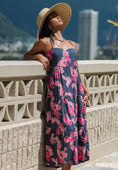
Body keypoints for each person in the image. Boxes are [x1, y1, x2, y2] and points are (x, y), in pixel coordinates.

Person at [24, 3, 90, 170]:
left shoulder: (72, 44)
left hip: (75, 91)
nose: (58, 17)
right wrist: (39, 56)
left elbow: (76, 68)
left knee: (74, 129)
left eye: (57, 15)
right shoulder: (45, 43)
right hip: (59, 91)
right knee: (65, 129)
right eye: (54, 16)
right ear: (48, 23)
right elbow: (26, 55)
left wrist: (85, 90)